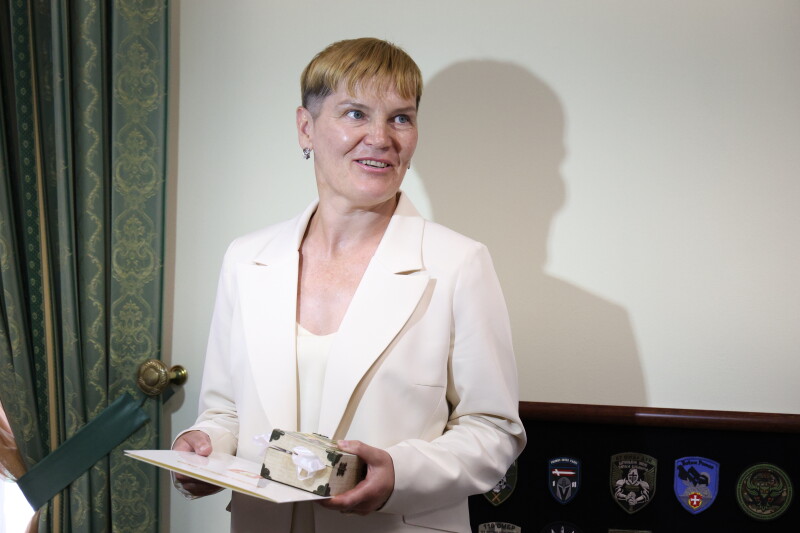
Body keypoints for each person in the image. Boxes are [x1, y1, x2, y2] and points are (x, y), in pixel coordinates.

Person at [173, 37, 526, 533]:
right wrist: (204, 444)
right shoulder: (245, 259)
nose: (381, 137)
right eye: (356, 114)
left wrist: (398, 473)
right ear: (306, 128)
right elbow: (226, 410)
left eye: (400, 118)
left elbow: (493, 430)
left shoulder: (459, 264)